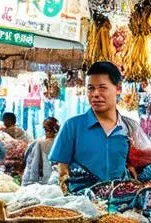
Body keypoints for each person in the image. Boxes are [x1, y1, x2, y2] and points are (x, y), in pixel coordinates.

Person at [50, 61, 131, 193]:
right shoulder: (72, 126)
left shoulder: (129, 128)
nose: (95, 94)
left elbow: (137, 167)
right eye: (91, 88)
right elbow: (61, 170)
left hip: (121, 206)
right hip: (81, 206)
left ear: (118, 88)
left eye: (102, 88)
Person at [22, 117, 60, 186]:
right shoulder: (62, 141)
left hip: (48, 180)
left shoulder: (40, 142)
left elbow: (32, 166)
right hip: (53, 180)